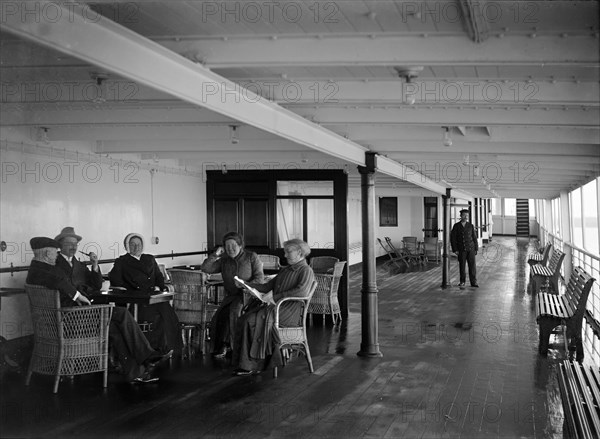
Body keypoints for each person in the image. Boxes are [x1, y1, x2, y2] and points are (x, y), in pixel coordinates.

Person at [26, 236, 170, 383]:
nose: (56, 255)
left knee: (113, 328)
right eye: (54, 252)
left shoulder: (37, 269)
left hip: (63, 319)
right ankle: (147, 355)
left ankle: (136, 372)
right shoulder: (45, 271)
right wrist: (77, 295)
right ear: (45, 254)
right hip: (70, 320)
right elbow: (60, 281)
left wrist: (91, 271)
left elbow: (69, 282)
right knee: (121, 314)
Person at [232, 238, 315, 376]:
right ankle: (244, 364)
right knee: (243, 319)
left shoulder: (305, 270)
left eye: (288, 252)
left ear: (300, 253)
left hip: (288, 312)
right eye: (285, 252)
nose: (285, 255)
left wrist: (274, 297)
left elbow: (302, 292)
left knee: (250, 321)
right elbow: (266, 286)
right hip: (277, 309)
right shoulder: (286, 270)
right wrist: (246, 285)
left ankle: (251, 365)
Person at [109, 233, 182, 356]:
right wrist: (129, 291)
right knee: (150, 316)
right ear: (127, 246)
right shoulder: (122, 261)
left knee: (167, 314)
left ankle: (167, 348)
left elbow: (158, 276)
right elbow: (116, 280)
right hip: (136, 298)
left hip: (153, 295)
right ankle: (151, 351)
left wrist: (160, 287)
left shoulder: (149, 259)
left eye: (139, 245)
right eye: (132, 245)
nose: (136, 247)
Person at [200, 232, 264, 357]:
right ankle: (223, 345)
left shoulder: (251, 256)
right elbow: (206, 268)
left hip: (248, 295)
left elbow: (259, 278)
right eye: (227, 246)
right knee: (219, 316)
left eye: (233, 245)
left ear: (240, 245)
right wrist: (215, 254)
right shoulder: (224, 260)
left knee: (235, 311)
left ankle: (237, 348)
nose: (230, 249)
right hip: (231, 296)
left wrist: (246, 285)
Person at [450, 209, 479, 288]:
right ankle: (462, 281)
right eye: (464, 215)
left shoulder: (470, 225)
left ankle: (473, 282)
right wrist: (455, 249)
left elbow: (474, 237)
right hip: (461, 249)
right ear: (460, 216)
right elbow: (453, 238)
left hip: (471, 249)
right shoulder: (456, 226)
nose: (466, 217)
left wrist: (476, 248)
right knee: (462, 266)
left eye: (467, 215)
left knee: (472, 266)